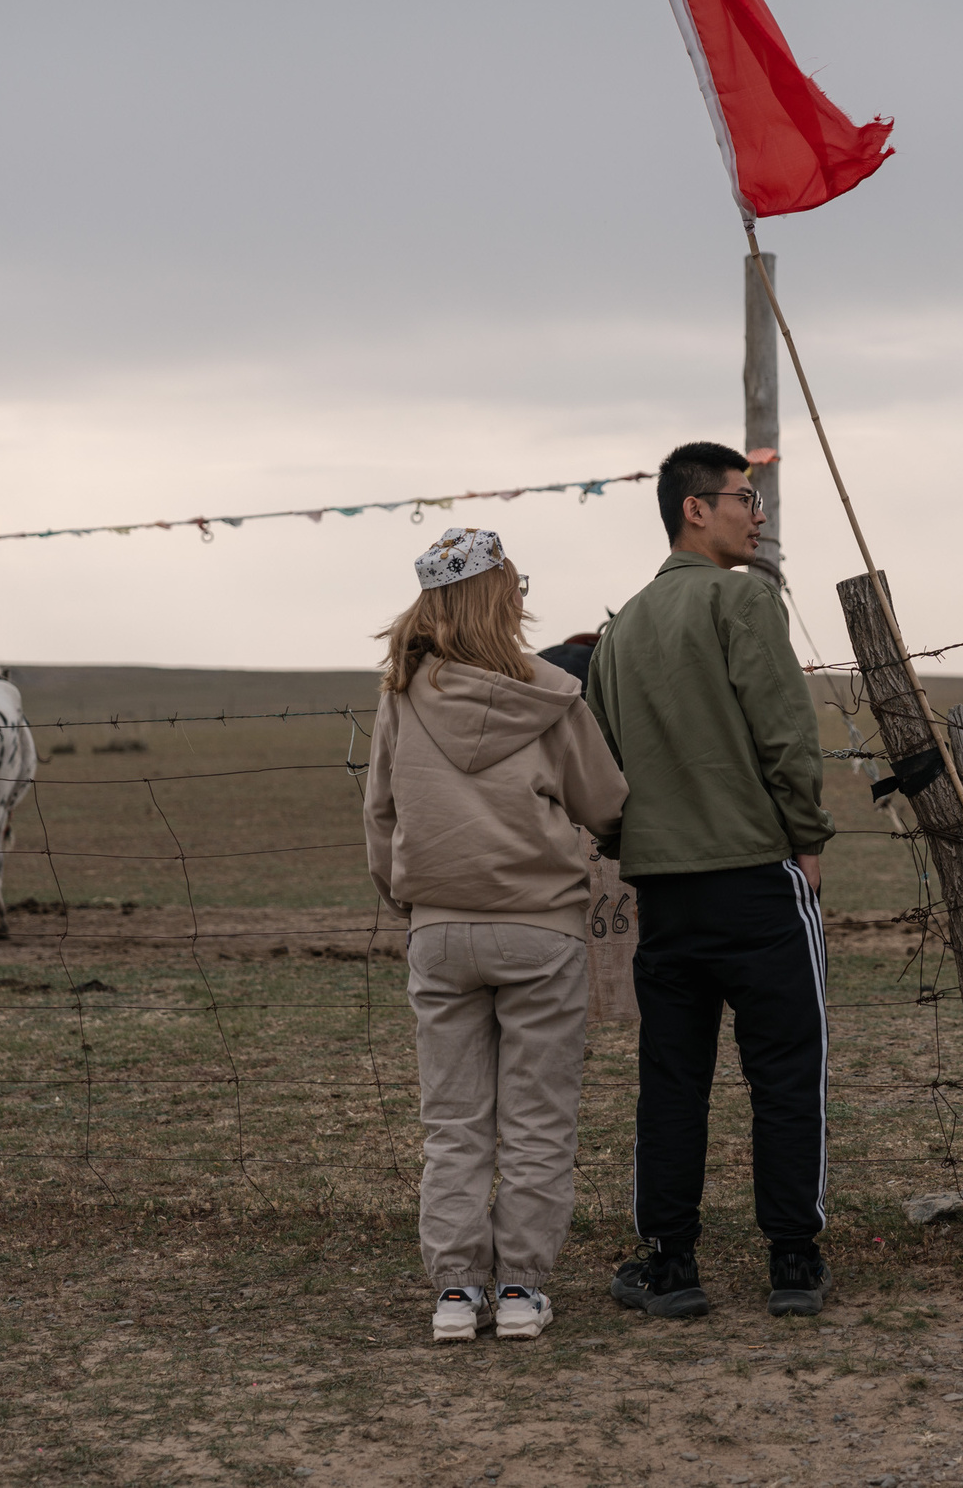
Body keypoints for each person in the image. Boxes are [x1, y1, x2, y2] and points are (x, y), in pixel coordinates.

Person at [585, 441, 835, 1319]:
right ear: (696, 507)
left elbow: (604, 766)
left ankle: (669, 1262)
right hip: (757, 881)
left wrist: (639, 842)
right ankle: (794, 1261)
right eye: (744, 495)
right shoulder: (745, 597)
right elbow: (785, 733)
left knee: (673, 1079)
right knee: (787, 1068)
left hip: (663, 889)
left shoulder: (620, 629)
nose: (756, 511)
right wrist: (806, 838)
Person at [364, 528, 628, 1344]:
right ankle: (518, 1286)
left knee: (453, 1120)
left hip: (439, 932)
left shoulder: (399, 694)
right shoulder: (554, 694)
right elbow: (606, 803)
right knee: (538, 1117)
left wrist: (414, 899)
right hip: (540, 931)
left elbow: (380, 813)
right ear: (506, 592)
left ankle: (454, 1292)